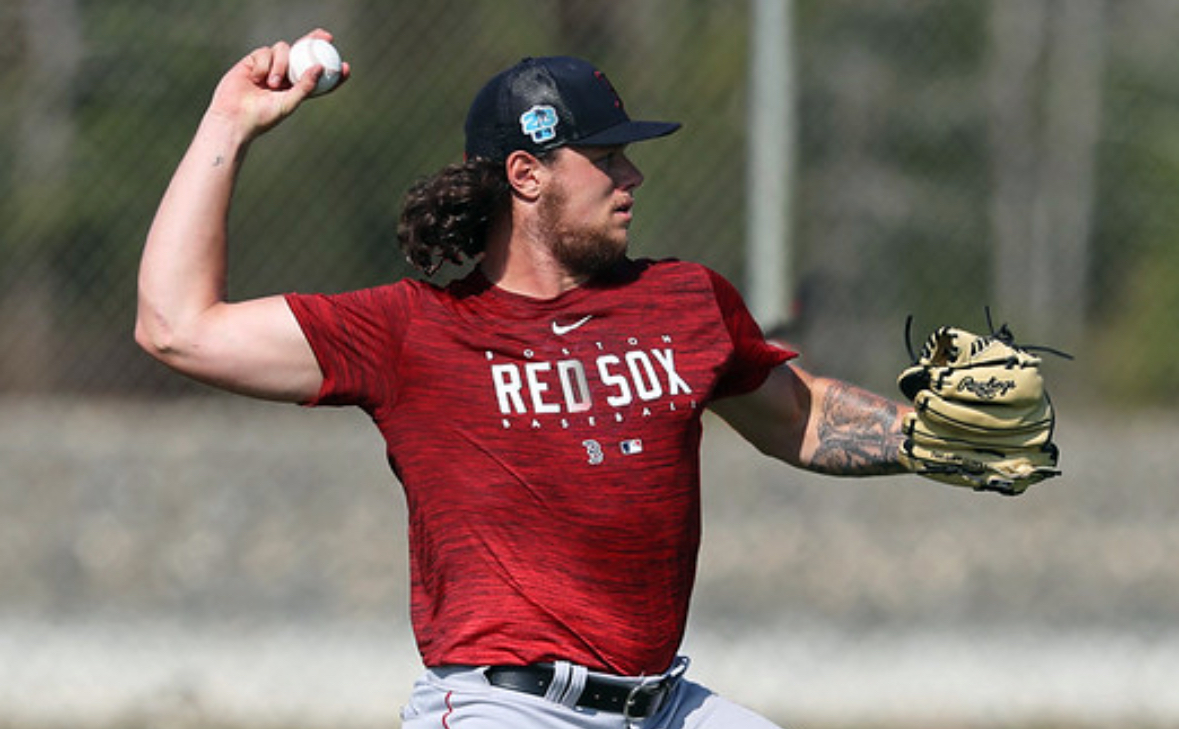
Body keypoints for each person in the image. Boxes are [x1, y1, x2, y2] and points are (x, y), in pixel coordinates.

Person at [136, 29, 912, 729]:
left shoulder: (684, 301)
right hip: (505, 707)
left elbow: (799, 416)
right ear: (525, 173)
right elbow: (177, 327)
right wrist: (228, 124)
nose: (631, 175)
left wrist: (937, 439)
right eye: (605, 157)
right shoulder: (415, 332)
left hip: (665, 704)